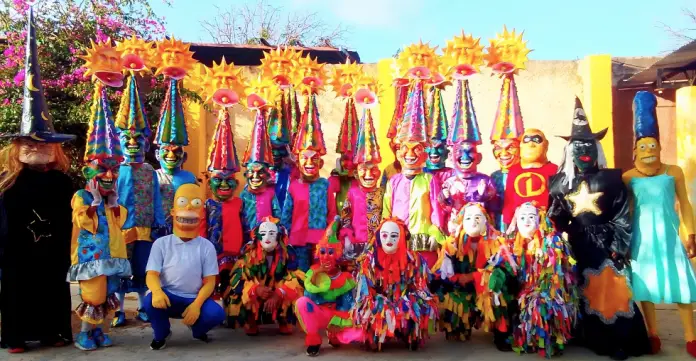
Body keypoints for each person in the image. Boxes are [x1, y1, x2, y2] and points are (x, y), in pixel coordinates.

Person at [548, 97, 650, 360]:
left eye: (589, 145)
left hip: (605, 243)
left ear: (597, 149)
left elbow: (622, 213)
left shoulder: (612, 178)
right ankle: (582, 335)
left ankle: (618, 340)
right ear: (569, 151)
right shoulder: (559, 182)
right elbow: (556, 217)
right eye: (578, 145)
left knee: (610, 288)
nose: (583, 150)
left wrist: (618, 246)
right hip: (574, 244)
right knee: (577, 288)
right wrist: (550, 238)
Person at [0, 4, 76, 353]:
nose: (37, 149)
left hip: (54, 251)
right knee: (17, 288)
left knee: (51, 285)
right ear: (18, 146)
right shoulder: (7, 182)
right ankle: (15, 337)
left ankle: (53, 332)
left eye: (43, 143)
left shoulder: (64, 181)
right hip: (16, 253)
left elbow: (81, 211)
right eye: (30, 142)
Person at [623, 91, 696, 357]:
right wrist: (623, 239)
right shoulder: (628, 177)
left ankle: (690, 337)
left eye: (653, 145)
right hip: (641, 238)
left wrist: (692, 233)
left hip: (670, 236)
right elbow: (626, 210)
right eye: (643, 146)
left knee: (682, 287)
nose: (649, 149)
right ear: (635, 150)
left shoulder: (673, 171)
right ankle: (653, 334)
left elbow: (685, 203)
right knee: (646, 287)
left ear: (660, 147)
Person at [70, 39, 132, 350]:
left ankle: (97, 332)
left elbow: (119, 223)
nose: (108, 175)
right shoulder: (83, 196)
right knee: (92, 294)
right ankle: (84, 333)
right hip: (90, 259)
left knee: (107, 293)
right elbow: (85, 223)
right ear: (89, 171)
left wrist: (112, 202)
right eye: (102, 169)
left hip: (111, 257)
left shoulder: (112, 199)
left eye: (113, 169)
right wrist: (96, 200)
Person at [112, 40, 165, 327]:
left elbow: (156, 198)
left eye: (139, 140)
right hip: (121, 229)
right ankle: (120, 310)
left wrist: (159, 222)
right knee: (122, 270)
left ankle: (144, 306)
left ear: (146, 144)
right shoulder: (114, 171)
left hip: (145, 229)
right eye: (127, 140)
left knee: (144, 270)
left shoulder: (149, 170)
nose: (133, 144)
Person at [144, 184, 226, 350]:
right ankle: (162, 334)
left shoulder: (206, 246)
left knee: (216, 314)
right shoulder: (161, 244)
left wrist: (197, 305)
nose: (188, 207)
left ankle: (197, 329)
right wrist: (158, 292)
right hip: (169, 295)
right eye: (183, 202)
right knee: (150, 302)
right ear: (173, 212)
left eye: (195, 204)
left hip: (194, 297)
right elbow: (151, 274)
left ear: (202, 214)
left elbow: (210, 281)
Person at [431, 203, 514, 350]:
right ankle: (459, 325)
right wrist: (454, 279)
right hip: (464, 287)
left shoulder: (497, 241)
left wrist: (473, 276)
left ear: (485, 221)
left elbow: (503, 271)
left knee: (495, 288)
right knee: (450, 296)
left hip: (485, 287)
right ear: (462, 222)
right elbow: (443, 274)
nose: (473, 222)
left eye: (478, 217)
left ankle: (500, 332)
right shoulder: (452, 243)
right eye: (468, 218)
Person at [383, 79, 446, 267]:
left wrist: (435, 235)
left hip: (423, 244)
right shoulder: (393, 181)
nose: (410, 154)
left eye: (416, 148)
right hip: (398, 243)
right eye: (405, 148)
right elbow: (387, 211)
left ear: (424, 152)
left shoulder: (429, 179)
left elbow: (436, 211)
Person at [282, 56, 336, 272]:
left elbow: (332, 214)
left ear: (321, 161)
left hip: (320, 243)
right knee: (300, 279)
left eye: (314, 159)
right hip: (297, 242)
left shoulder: (325, 185)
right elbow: (287, 214)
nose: (309, 162)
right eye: (305, 158)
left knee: (321, 280)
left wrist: (331, 237)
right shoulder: (293, 185)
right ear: (298, 160)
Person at [352, 218, 438, 351]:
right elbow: (364, 291)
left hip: (404, 300)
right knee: (371, 306)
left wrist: (413, 299)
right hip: (380, 302)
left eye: (394, 236)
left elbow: (420, 286)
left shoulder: (414, 259)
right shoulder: (369, 260)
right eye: (385, 235)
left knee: (418, 303)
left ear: (402, 237)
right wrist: (376, 301)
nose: (389, 240)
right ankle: (376, 335)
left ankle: (409, 334)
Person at [505, 202, 579, 357]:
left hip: (549, 290)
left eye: (531, 217)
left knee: (539, 303)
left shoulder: (552, 241)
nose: (526, 221)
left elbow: (556, 277)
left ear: (540, 220)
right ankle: (511, 335)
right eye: (522, 218)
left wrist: (537, 291)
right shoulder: (512, 243)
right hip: (523, 288)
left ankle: (549, 340)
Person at [151, 38, 198, 240]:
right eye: (166, 150)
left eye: (176, 151)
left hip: (184, 232)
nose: (171, 154)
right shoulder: (152, 176)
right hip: (156, 233)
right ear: (156, 153)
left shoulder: (189, 179)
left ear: (184, 156)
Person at [224, 216, 301, 336]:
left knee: (298, 290)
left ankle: (284, 319)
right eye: (263, 233)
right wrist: (255, 290)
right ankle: (250, 320)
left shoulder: (287, 253)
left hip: (277, 291)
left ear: (279, 235)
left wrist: (280, 293)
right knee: (235, 293)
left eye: (271, 233)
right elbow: (237, 277)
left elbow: (296, 277)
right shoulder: (249, 252)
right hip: (257, 291)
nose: (267, 238)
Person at [440, 78, 497, 235]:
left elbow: (494, 208)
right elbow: (443, 209)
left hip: (482, 237)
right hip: (455, 236)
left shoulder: (485, 180)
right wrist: (445, 198)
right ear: (451, 157)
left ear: (478, 157)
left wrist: (486, 195)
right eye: (460, 151)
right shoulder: (449, 183)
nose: (465, 156)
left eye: (470, 151)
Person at [296, 219, 360, 356]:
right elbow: (309, 298)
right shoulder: (313, 272)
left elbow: (346, 304)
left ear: (337, 255)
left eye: (330, 253)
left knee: (361, 333)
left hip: (336, 315)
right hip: (320, 313)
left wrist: (338, 323)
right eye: (323, 252)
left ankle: (334, 335)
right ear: (318, 254)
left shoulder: (344, 277)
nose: (326, 257)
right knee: (301, 303)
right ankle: (314, 340)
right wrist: (317, 274)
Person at [339, 85, 384, 260]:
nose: (368, 175)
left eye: (373, 169)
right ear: (357, 172)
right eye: (363, 170)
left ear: (379, 172)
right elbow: (346, 217)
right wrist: (347, 236)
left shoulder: (382, 193)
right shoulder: (352, 192)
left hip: (378, 247)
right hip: (355, 246)